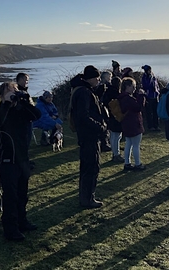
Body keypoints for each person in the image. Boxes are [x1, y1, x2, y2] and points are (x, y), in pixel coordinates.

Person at [0, 82, 41, 241]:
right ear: (1, 95)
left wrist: (25, 100)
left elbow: (36, 115)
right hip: (7, 160)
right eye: (9, 91)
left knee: (22, 194)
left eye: (15, 91)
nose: (13, 93)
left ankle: (22, 221)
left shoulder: (21, 111)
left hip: (23, 159)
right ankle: (10, 229)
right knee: (10, 196)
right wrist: (6, 103)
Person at [70, 65, 107, 208]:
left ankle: (86, 197)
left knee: (88, 166)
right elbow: (84, 116)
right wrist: (100, 126)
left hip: (86, 135)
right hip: (89, 135)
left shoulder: (81, 90)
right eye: (97, 78)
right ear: (90, 78)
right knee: (91, 167)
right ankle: (88, 199)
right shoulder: (84, 93)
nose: (98, 80)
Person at [118, 77, 146, 171]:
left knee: (128, 144)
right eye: (133, 86)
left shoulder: (122, 98)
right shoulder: (128, 99)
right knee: (136, 145)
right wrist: (141, 96)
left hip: (126, 123)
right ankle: (137, 164)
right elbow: (138, 107)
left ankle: (127, 163)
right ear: (127, 86)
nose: (134, 88)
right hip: (134, 123)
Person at [102, 76, 125, 162]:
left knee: (113, 136)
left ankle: (115, 153)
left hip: (109, 116)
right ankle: (116, 154)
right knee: (117, 136)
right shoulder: (117, 94)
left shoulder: (107, 92)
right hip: (116, 116)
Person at [95, 71, 113, 152]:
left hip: (103, 107)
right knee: (104, 125)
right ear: (105, 78)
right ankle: (104, 144)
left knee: (105, 125)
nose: (110, 79)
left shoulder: (99, 86)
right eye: (109, 77)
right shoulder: (102, 86)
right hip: (102, 108)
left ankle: (105, 142)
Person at [141, 65, 161, 131]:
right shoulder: (144, 77)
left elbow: (156, 85)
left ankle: (156, 125)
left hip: (155, 96)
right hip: (148, 96)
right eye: (149, 70)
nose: (150, 71)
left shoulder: (154, 77)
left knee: (156, 112)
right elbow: (146, 85)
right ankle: (150, 126)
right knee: (149, 112)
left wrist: (158, 92)